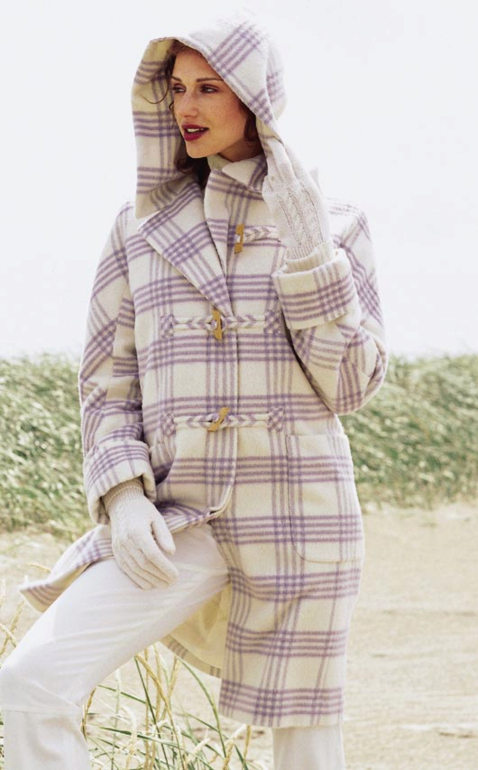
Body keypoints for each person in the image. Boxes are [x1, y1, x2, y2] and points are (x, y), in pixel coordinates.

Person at [0, 12, 388, 769]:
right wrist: (124, 497)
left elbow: (349, 385)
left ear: (255, 94)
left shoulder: (336, 224)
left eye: (210, 87)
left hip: (300, 518)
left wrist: (311, 257)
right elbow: (107, 385)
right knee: (30, 684)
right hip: (182, 519)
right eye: (177, 87)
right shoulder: (137, 229)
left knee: (307, 744)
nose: (188, 105)